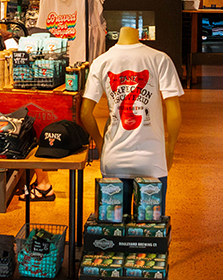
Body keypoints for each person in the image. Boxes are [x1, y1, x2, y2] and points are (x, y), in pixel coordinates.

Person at [79, 26, 184, 215]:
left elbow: (85, 113)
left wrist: (101, 142)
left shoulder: (100, 62)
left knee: (115, 229)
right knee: (150, 232)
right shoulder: (160, 59)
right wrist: (169, 148)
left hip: (114, 158)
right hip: (153, 159)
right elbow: (174, 111)